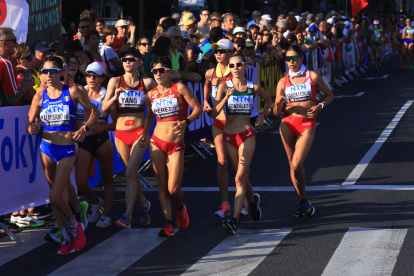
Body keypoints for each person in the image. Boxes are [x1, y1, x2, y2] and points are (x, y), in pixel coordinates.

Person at [26, 56, 99, 254]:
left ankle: (75, 226)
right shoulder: (40, 95)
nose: (48, 75)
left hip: (67, 148)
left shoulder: (74, 91)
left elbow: (95, 113)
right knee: (56, 198)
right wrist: (32, 127)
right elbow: (30, 123)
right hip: (46, 148)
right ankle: (65, 238)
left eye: (52, 71)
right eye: (44, 71)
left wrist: (84, 129)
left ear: (61, 72)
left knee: (55, 195)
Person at [212, 53, 271, 235]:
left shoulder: (253, 87)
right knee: (243, 178)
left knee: (238, 178)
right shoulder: (224, 86)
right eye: (232, 66)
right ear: (228, 69)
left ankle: (234, 220)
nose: (235, 68)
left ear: (245, 66)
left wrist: (263, 115)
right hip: (229, 136)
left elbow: (268, 100)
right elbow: (214, 114)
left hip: (247, 134)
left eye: (239, 65)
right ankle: (252, 201)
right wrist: (225, 97)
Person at [273, 45, 334, 218]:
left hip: (307, 123)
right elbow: (276, 114)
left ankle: (303, 200)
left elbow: (330, 95)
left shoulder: (312, 76)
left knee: (296, 163)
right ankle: (302, 201)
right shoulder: (282, 81)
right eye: (287, 59)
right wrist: (278, 103)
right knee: (293, 166)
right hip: (287, 124)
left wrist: (319, 106)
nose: (291, 62)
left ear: (301, 58)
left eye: (294, 58)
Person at [147, 56, 202, 237]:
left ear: (169, 71)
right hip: (157, 141)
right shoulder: (151, 94)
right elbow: (148, 119)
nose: (158, 74)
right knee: (161, 186)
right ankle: (168, 223)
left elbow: (197, 108)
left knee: (173, 188)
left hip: (176, 143)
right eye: (155, 71)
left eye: (161, 70)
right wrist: (143, 135)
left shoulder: (179, 88)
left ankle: (180, 207)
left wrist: (186, 122)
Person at [102, 48, 156, 228]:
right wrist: (114, 97)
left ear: (139, 61)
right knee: (131, 173)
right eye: (124, 59)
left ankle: (127, 215)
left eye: (131, 60)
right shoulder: (115, 81)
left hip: (139, 132)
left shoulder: (147, 82)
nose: (127, 62)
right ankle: (143, 204)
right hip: (120, 134)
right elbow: (104, 107)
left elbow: (163, 96)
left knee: (130, 172)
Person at [204, 39, 245, 218]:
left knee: (239, 166)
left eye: (222, 51)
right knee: (221, 161)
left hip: (234, 124)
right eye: (216, 51)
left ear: (230, 53)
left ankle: (243, 200)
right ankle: (225, 203)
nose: (218, 54)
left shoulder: (236, 71)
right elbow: (206, 83)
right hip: (218, 122)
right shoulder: (211, 72)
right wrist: (205, 100)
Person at [75, 62, 116, 228]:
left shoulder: (107, 95)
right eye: (89, 74)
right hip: (83, 141)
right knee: (81, 183)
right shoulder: (78, 92)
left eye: (96, 75)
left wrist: (105, 126)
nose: (92, 78)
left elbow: (118, 122)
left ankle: (106, 214)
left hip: (101, 140)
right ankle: (94, 201)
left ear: (102, 78)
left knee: (107, 178)